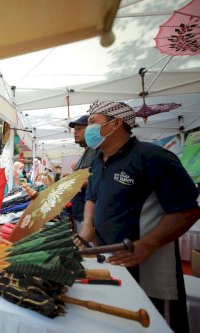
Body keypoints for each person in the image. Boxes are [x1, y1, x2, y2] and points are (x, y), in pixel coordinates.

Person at [78, 100, 200, 333]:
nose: (87, 129)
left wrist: (148, 243)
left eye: (93, 122)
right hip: (110, 263)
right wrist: (87, 227)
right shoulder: (98, 160)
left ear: (116, 123)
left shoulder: (153, 157)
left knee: (153, 324)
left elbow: (188, 210)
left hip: (148, 266)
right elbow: (91, 197)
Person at [68, 115, 99, 232]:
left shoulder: (97, 150)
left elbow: (97, 180)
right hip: (81, 214)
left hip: (90, 219)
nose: (75, 132)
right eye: (74, 129)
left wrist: (73, 180)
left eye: (79, 129)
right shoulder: (87, 152)